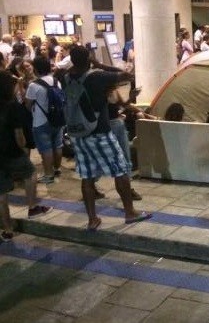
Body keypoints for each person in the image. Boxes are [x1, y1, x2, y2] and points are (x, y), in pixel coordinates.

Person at [64, 46, 151, 230]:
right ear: (89, 59)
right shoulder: (96, 76)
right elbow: (126, 75)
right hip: (100, 133)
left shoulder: (66, 77)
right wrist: (100, 65)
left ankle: (92, 219)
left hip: (79, 134)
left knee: (87, 176)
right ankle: (130, 212)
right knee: (120, 170)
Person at [0, 70, 51, 242]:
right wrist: (23, 148)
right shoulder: (12, 106)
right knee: (30, 173)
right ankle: (32, 207)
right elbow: (19, 135)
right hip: (12, 151)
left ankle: (7, 229)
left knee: (1, 194)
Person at [25, 55, 64, 184]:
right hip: (57, 118)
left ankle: (48, 175)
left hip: (40, 121)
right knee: (57, 145)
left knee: (45, 148)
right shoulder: (56, 81)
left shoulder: (33, 85)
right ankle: (57, 169)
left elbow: (28, 105)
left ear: (36, 69)